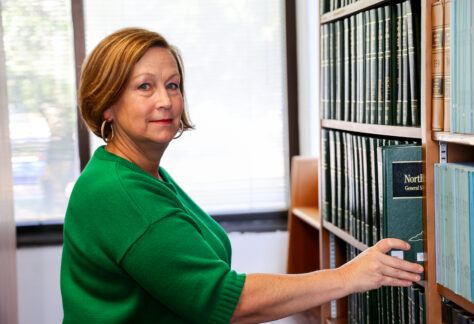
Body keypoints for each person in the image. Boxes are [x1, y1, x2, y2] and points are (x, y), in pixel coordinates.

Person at [60, 27, 424, 324]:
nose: (166, 101)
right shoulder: (121, 192)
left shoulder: (139, 173)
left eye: (172, 85)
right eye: (145, 86)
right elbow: (224, 301)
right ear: (107, 103)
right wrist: (347, 277)